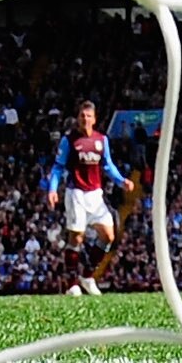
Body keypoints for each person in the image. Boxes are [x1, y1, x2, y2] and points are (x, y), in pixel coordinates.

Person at [42, 101, 127, 294]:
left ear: (94, 119)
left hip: (96, 195)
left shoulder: (101, 140)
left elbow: (107, 165)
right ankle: (72, 284)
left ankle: (87, 276)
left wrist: (122, 181)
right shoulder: (69, 140)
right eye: (82, 116)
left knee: (108, 236)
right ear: (78, 119)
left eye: (88, 116)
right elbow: (57, 167)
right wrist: (52, 189)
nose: (85, 119)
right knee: (77, 238)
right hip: (76, 193)